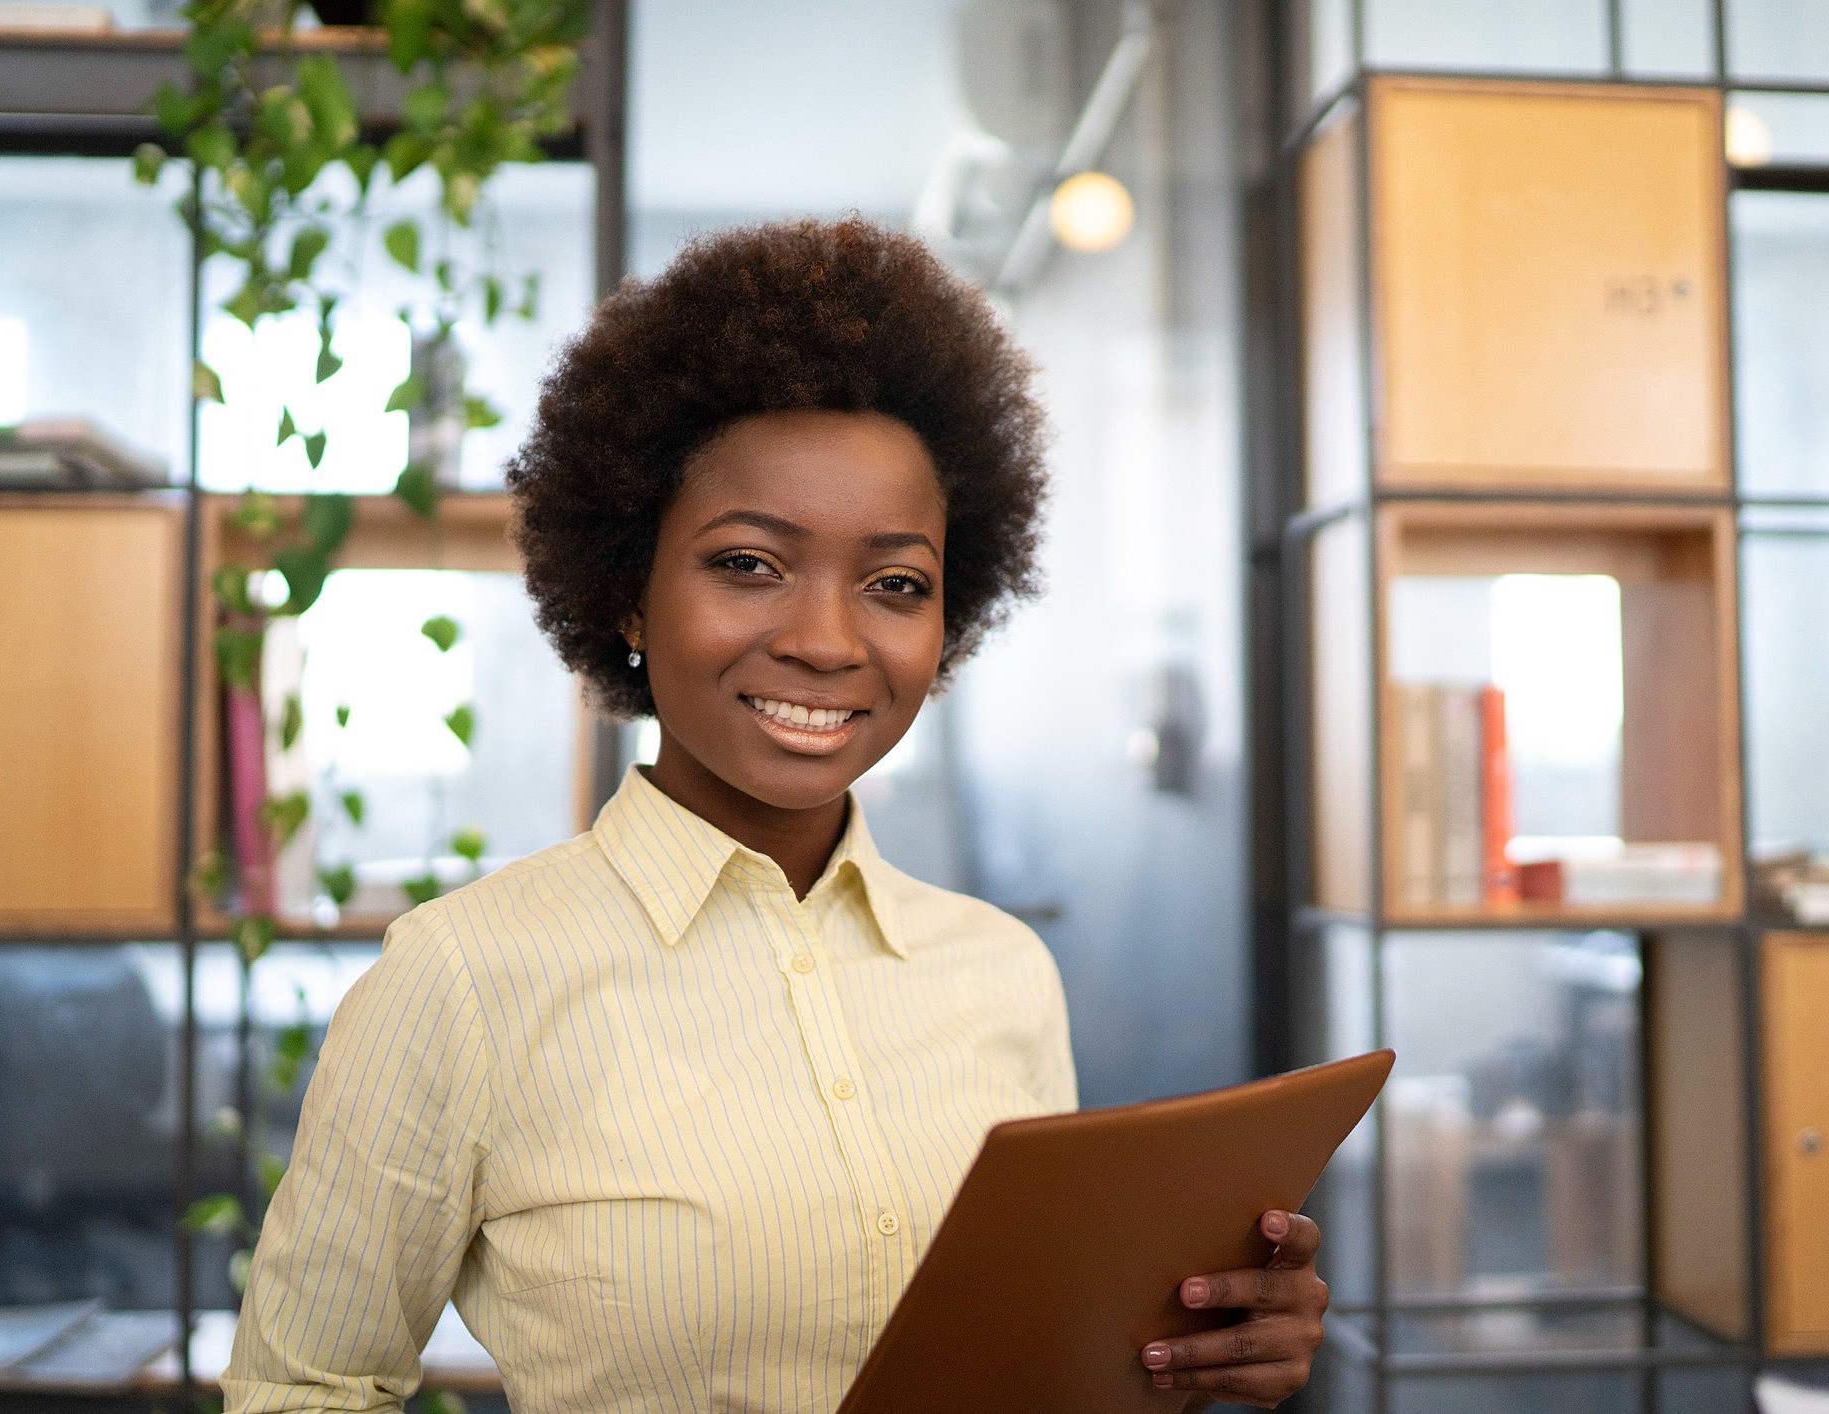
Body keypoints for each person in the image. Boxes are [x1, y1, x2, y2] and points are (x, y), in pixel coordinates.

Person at [222, 217, 1327, 1413]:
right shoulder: (464, 980)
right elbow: (304, 1387)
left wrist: (1189, 1351)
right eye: (747, 562)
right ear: (627, 592)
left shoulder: (1000, 972)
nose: (824, 638)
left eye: (895, 583)